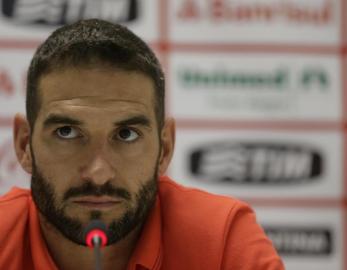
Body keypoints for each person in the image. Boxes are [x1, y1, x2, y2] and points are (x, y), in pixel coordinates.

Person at [0, 19, 284, 270]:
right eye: (66, 132)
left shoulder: (221, 240)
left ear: (166, 148)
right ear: (24, 144)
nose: (98, 173)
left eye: (126, 134)